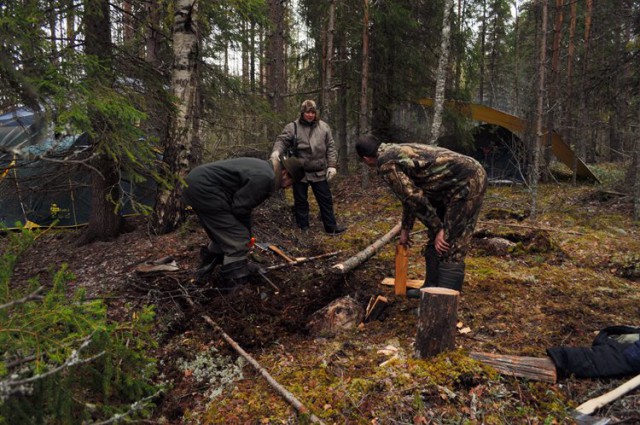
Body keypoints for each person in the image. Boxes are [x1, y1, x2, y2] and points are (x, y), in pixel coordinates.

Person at [355, 134, 487, 297]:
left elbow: (413, 197)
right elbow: (409, 197)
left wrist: (439, 227)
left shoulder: (386, 163)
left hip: (467, 182)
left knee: (450, 241)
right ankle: (430, 288)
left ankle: (443, 301)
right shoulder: (392, 151)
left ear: (366, 158)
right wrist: (406, 230)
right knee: (435, 238)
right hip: (447, 186)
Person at [182, 155, 305, 288]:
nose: (287, 188)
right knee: (237, 242)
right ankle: (236, 292)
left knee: (224, 238)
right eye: (291, 183)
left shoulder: (264, 169)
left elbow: (241, 206)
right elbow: (240, 208)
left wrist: (247, 234)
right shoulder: (266, 178)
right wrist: (245, 237)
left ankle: (200, 278)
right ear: (285, 173)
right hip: (205, 189)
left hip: (197, 184)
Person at [270, 100, 346, 235]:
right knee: (300, 201)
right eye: (307, 112)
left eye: (312, 112)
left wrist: (332, 165)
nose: (310, 115)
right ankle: (303, 228)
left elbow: (331, 147)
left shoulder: (324, 127)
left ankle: (331, 227)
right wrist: (276, 152)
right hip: (300, 172)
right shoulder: (292, 127)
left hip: (319, 170)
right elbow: (281, 141)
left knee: (325, 200)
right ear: (302, 113)